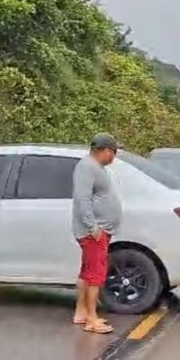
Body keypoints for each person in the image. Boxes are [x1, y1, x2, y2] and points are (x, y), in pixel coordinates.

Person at [71, 133, 123, 334]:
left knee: (87, 272)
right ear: (106, 151)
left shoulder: (94, 168)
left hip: (99, 230)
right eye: (114, 152)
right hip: (93, 232)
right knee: (95, 275)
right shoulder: (87, 167)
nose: (114, 157)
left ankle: (81, 312)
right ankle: (92, 319)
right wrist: (93, 228)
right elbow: (82, 199)